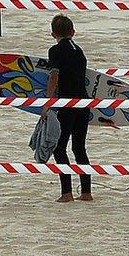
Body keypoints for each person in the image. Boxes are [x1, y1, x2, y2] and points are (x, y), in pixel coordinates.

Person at [40, 14, 92, 202]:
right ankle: (86, 193)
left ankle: (67, 193)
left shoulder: (55, 51)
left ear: (52, 33)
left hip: (67, 105)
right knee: (79, 148)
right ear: (73, 32)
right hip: (84, 104)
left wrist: (47, 104)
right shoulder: (79, 51)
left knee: (59, 148)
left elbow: (54, 76)